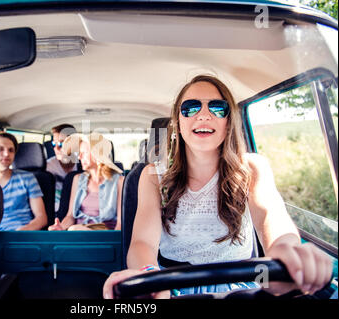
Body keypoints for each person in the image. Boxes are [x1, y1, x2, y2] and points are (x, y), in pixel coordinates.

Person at [103, 75, 333, 298]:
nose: (203, 115)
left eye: (217, 108)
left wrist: (286, 252)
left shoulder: (252, 168)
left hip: (241, 285)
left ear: (228, 121)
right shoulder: (153, 176)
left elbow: (272, 220)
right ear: (178, 124)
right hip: (170, 284)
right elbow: (143, 242)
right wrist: (149, 278)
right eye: (191, 108)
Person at [48, 132, 124, 231]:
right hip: (77, 235)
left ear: (97, 155)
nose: (79, 157)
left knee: (74, 229)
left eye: (84, 153)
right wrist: (60, 227)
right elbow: (70, 216)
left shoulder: (120, 181)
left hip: (104, 235)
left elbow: (120, 224)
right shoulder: (77, 179)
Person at [0, 132, 48, 231]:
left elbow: (41, 218)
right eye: (0, 149)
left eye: (11, 150)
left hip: (22, 236)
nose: (6, 154)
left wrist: (22, 231)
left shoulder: (27, 178)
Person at [46, 124, 78, 212]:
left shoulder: (83, 165)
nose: (56, 148)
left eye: (61, 143)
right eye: (54, 143)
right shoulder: (47, 167)